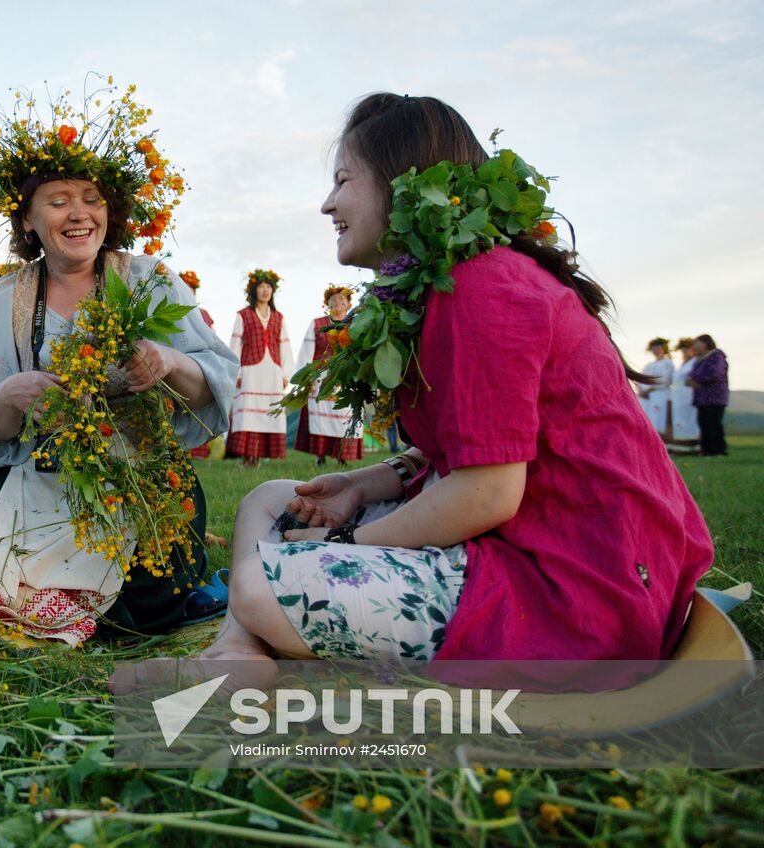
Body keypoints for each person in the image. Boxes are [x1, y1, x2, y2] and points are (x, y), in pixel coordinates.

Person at [200, 93, 711, 667]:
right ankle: (238, 651)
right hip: (519, 544)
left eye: (343, 180)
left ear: (400, 181)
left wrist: (344, 543)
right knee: (270, 500)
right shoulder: (458, 282)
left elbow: (489, 490)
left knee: (259, 585)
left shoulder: (482, 286)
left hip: (573, 590)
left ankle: (248, 640)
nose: (327, 204)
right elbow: (469, 448)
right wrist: (364, 486)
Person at [0, 81, 238, 643]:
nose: (79, 214)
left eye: (92, 199)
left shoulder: (151, 280)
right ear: (28, 220)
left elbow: (214, 381)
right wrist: (9, 395)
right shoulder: (8, 296)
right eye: (58, 201)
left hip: (143, 475)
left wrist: (169, 360)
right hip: (41, 470)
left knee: (144, 610)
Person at [224, 270, 294, 465]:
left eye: (268, 287)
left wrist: (286, 374)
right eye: (261, 287)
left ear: (273, 290)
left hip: (272, 370)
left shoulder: (279, 317)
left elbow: (285, 345)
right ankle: (248, 458)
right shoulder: (243, 315)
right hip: (250, 370)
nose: (265, 291)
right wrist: (234, 372)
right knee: (249, 412)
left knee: (268, 411)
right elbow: (235, 345)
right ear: (254, 290)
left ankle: (262, 455)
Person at [293, 285, 365, 464]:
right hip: (321, 376)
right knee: (321, 415)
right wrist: (306, 379)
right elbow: (306, 352)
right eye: (334, 301)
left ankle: (343, 456)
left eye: (342, 301)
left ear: (349, 305)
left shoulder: (356, 324)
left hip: (347, 376)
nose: (338, 304)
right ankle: (321, 455)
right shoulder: (317, 323)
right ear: (327, 305)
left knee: (345, 414)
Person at [180, 269, 217, 458]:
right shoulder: (171, 312)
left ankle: (200, 451)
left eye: (191, 289)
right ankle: (178, 449)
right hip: (177, 366)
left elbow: (213, 342)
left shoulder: (203, 314)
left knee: (197, 406)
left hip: (198, 366)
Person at [689, 334, 729, 456]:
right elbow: (691, 374)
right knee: (704, 424)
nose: (694, 346)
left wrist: (696, 380)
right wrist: (692, 379)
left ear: (705, 344)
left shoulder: (717, 357)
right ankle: (707, 450)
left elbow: (715, 374)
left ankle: (718, 450)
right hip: (702, 398)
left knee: (713, 424)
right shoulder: (701, 359)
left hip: (714, 397)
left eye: (697, 343)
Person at [637, 338, 673, 438]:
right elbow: (641, 378)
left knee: (658, 419)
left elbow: (665, 379)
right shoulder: (649, 365)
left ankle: (662, 442)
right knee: (647, 419)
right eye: (653, 348)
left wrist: (649, 390)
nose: (655, 350)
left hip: (660, 395)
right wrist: (641, 390)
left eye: (658, 347)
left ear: (663, 349)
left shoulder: (667, 363)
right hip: (646, 397)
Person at [668, 337, 699, 451]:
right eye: (683, 350)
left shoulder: (694, 362)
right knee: (679, 419)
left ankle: (692, 445)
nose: (685, 352)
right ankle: (681, 445)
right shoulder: (681, 364)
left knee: (689, 418)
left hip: (688, 393)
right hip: (678, 395)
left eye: (687, 349)